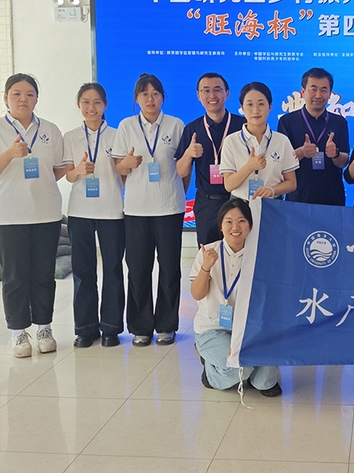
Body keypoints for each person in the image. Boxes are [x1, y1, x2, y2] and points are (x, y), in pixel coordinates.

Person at [0, 73, 66, 357]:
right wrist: (10, 154)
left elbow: (59, 168)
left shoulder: (50, 129)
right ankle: (18, 333)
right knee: (15, 277)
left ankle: (44, 328)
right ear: (6, 97)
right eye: (16, 94)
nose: (23, 99)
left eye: (29, 94)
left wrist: (41, 185)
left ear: (37, 98)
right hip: (8, 216)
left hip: (46, 214)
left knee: (44, 275)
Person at [112, 74, 185, 347]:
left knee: (169, 269)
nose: (150, 98)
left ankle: (166, 325)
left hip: (170, 207)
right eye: (144, 94)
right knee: (138, 269)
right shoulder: (127, 126)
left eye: (155, 93)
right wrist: (128, 163)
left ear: (162, 97)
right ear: (137, 98)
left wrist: (177, 192)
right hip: (137, 209)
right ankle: (140, 327)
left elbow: (183, 168)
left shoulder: (176, 125)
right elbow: (119, 168)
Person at [190, 198, 281, 396]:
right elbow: (197, 294)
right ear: (220, 226)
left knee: (265, 382)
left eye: (241, 221)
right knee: (240, 368)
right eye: (229, 221)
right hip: (214, 327)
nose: (235, 227)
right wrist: (206, 267)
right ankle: (211, 373)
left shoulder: (261, 254)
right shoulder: (208, 252)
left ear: (250, 225)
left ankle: (240, 363)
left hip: (251, 328)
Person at [63, 83, 126, 348]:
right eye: (86, 102)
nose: (92, 107)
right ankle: (85, 328)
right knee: (82, 270)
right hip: (79, 211)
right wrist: (78, 170)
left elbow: (123, 171)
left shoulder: (117, 135)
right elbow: (68, 175)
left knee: (113, 269)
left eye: (97, 102)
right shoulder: (70, 137)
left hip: (111, 210)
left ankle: (111, 328)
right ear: (79, 105)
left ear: (105, 105)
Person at [175, 73, 246, 245]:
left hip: (238, 200)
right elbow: (181, 171)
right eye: (206, 91)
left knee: (242, 253)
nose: (212, 95)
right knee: (209, 255)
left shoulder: (242, 125)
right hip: (207, 204)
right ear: (198, 95)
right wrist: (188, 153)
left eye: (217, 90)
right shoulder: (192, 129)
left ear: (227, 93)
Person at [277, 67, 350, 205]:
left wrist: (335, 154)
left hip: (332, 199)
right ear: (303, 91)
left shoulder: (339, 122)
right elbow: (280, 163)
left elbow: (344, 162)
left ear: (330, 94)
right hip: (298, 197)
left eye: (323, 90)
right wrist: (301, 152)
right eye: (313, 89)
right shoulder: (287, 121)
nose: (318, 95)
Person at [221, 82, 299, 200]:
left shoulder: (282, 141)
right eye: (250, 104)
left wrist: (272, 190)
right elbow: (229, 185)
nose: (255, 110)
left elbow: (291, 183)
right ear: (242, 108)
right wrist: (249, 167)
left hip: (271, 204)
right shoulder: (231, 141)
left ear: (270, 107)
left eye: (261, 104)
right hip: (240, 205)